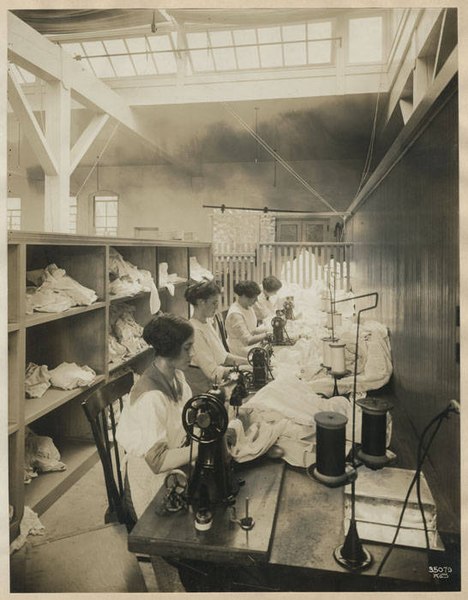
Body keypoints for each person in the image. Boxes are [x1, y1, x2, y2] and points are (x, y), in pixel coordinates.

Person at [116, 313, 197, 519]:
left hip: (173, 462)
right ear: (170, 349)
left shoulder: (176, 376)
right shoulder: (151, 397)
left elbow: (185, 417)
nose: (192, 353)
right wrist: (202, 448)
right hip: (149, 483)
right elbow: (158, 462)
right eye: (187, 348)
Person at [184, 280, 250, 395]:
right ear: (201, 302)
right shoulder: (195, 330)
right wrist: (247, 368)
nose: (217, 307)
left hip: (213, 384)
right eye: (214, 303)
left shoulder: (206, 323)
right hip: (203, 391)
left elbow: (224, 357)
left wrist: (249, 361)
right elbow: (213, 373)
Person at [225, 280, 270, 357]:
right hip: (240, 350)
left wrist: (268, 329)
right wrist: (266, 335)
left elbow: (252, 330)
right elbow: (247, 340)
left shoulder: (248, 307)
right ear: (244, 296)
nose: (256, 300)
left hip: (249, 346)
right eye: (254, 297)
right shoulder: (235, 314)